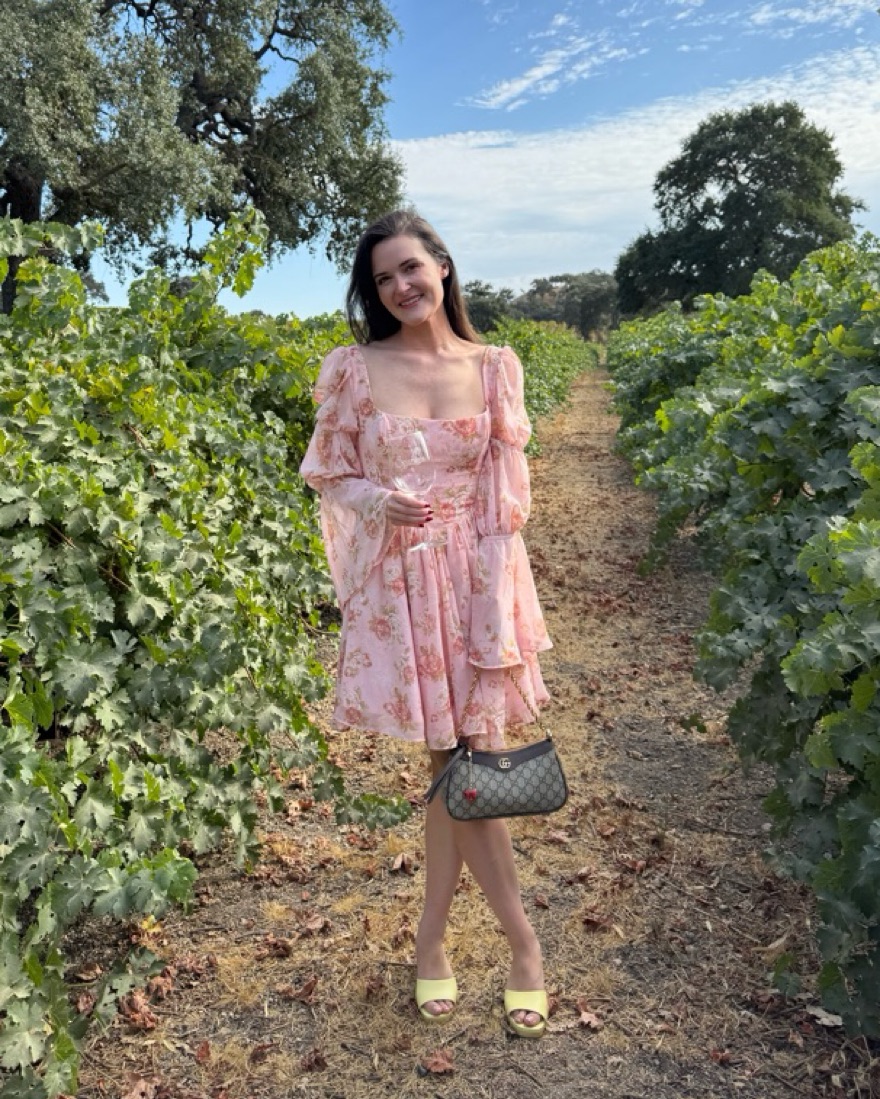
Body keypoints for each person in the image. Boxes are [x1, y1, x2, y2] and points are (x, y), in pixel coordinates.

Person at [299, 209, 553, 1038]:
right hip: (405, 586)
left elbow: (505, 506)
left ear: (442, 265)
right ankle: (512, 947)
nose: (400, 286)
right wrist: (380, 499)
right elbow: (329, 474)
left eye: (410, 267)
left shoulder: (496, 367)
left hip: (477, 580)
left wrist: (499, 612)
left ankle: (448, 942)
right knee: (456, 767)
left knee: (466, 767)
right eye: (382, 279)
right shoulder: (356, 368)